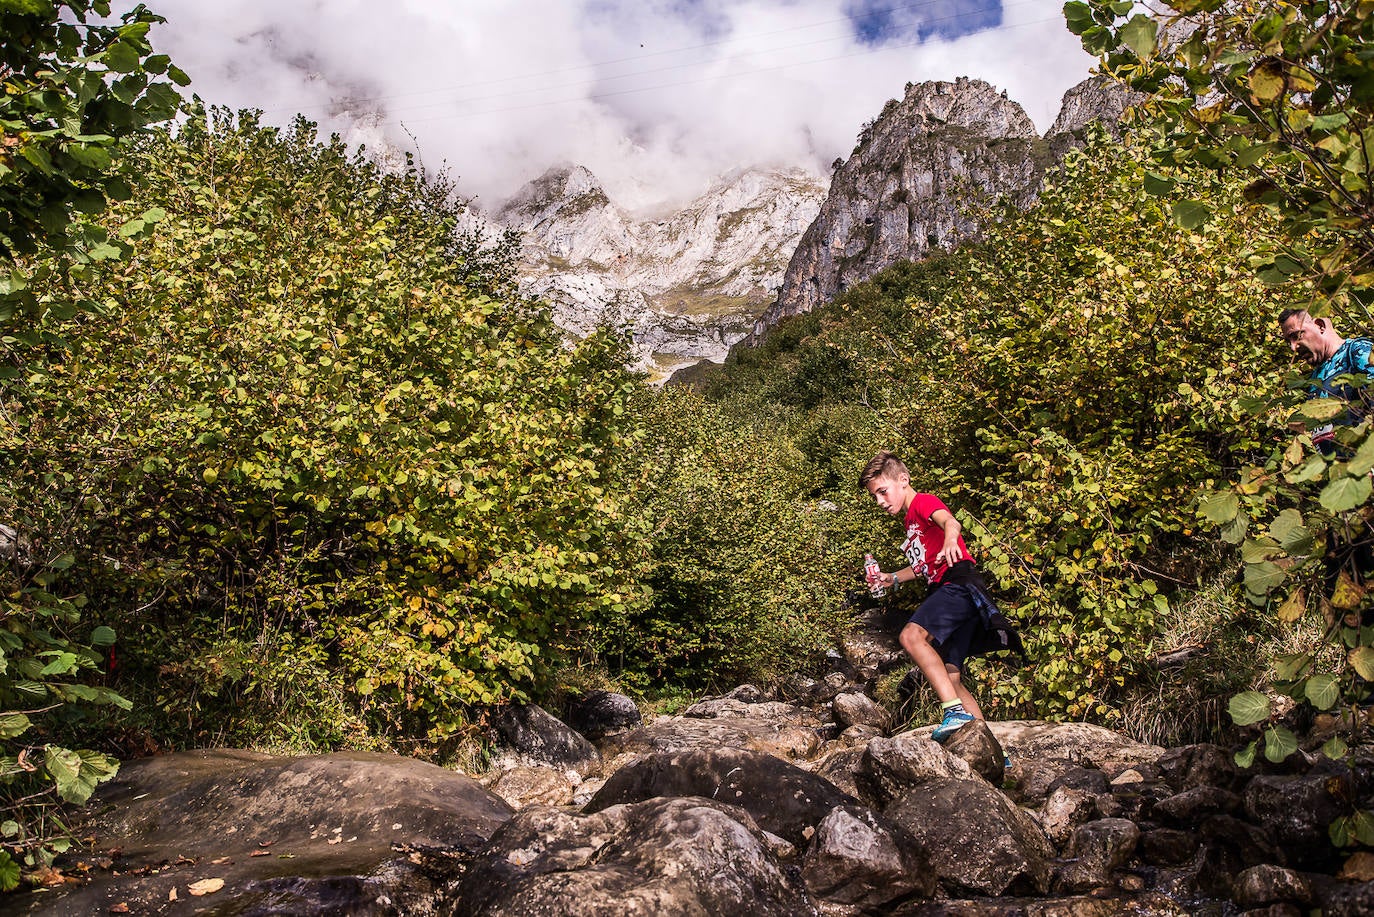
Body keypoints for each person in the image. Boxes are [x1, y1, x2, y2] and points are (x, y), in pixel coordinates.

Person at [860, 450, 1005, 741]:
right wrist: (892, 578)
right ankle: (993, 750)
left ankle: (953, 712)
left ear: (903, 480)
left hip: (958, 583)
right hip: (946, 587)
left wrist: (951, 538)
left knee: (911, 636)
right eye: (875, 496)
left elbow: (950, 521)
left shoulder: (923, 502)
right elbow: (923, 565)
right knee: (951, 678)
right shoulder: (910, 522)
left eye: (883, 492)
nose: (880, 501)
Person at [1278, 308, 1374, 451]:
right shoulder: (1314, 379)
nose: (1293, 347)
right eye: (1288, 341)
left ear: (1320, 326)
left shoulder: (1357, 351)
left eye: (1297, 335)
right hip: (1337, 470)